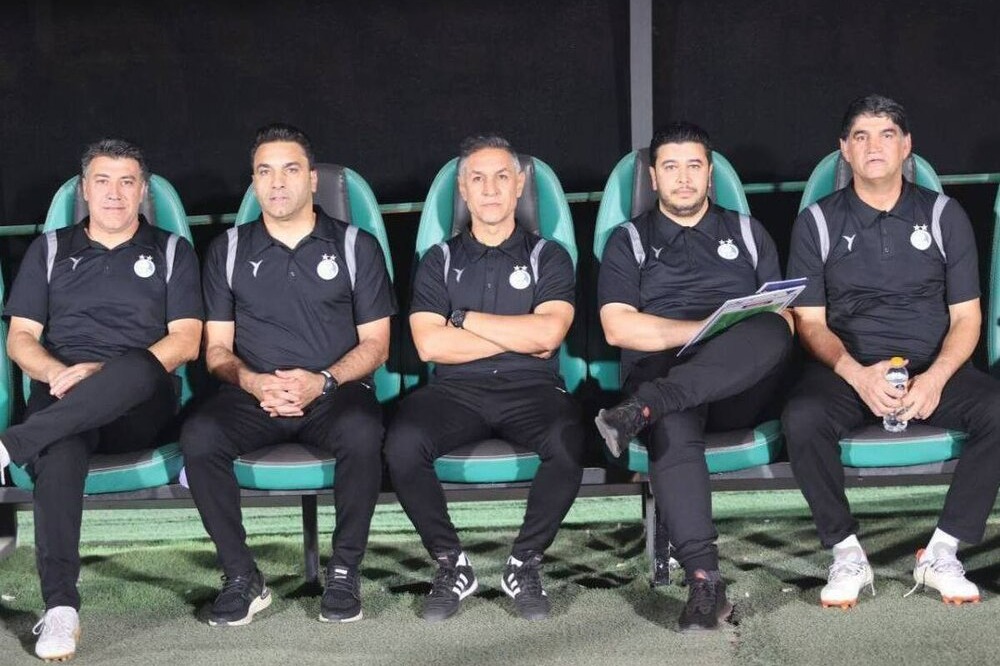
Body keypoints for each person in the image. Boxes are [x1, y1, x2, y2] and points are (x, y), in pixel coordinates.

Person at [782, 94, 1000, 609]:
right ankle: (846, 553)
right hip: (848, 372)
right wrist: (858, 375)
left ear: (906, 147)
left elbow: (967, 318)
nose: (873, 146)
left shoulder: (944, 216)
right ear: (845, 150)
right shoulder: (816, 222)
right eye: (860, 137)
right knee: (801, 418)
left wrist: (936, 378)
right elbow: (809, 322)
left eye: (886, 135)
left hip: (932, 368)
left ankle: (942, 551)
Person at [179, 123, 394, 626]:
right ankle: (241, 576)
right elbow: (216, 350)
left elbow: (377, 344)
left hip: (334, 392)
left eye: (290, 170)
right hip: (254, 395)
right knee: (199, 436)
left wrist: (323, 380)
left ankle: (344, 571)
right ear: (254, 182)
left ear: (312, 179)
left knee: (363, 431)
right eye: (265, 171)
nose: (277, 183)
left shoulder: (356, 245)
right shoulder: (228, 249)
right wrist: (255, 382)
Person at [0, 139, 203, 661]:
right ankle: (61, 609)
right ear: (84, 190)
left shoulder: (172, 251)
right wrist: (58, 372)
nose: (115, 193)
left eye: (127, 182)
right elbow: (21, 338)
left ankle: (10, 446)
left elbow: (185, 341)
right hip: (62, 395)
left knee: (137, 366)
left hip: (141, 406)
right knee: (58, 452)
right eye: (103, 181)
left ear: (143, 190)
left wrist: (104, 374)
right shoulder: (49, 250)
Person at [594, 122, 793, 631]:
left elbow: (783, 316)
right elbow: (618, 327)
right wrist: (701, 331)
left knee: (773, 329)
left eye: (694, 166)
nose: (683, 178)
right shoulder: (629, 240)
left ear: (710, 173)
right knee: (672, 421)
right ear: (653, 177)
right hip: (663, 374)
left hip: (737, 386)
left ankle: (644, 407)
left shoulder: (747, 232)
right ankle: (705, 582)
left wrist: (721, 337)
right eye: (671, 167)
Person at [384, 135, 584, 622]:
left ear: (519, 186)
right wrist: (520, 334)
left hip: (533, 389)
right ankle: (452, 564)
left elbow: (549, 334)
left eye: (501, 177)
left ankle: (524, 563)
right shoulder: (439, 259)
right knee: (402, 443)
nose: (490, 189)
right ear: (464, 190)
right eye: (478, 179)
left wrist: (463, 319)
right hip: (455, 391)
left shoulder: (549, 256)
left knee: (570, 440)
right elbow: (429, 346)